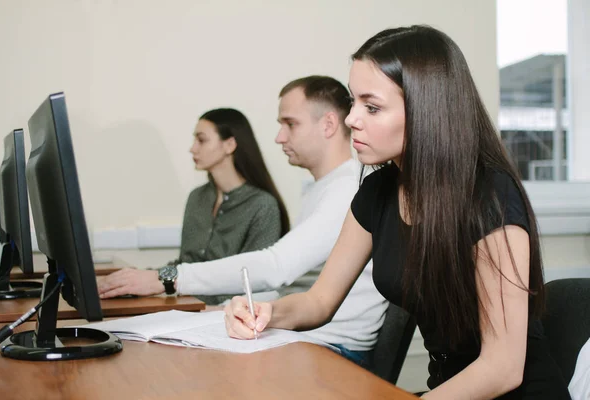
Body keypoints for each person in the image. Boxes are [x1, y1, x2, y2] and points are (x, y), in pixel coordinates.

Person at [223, 26, 571, 399]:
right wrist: (264, 313)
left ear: (427, 111)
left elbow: (502, 368)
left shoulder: (490, 196)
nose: (351, 119)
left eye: (371, 107)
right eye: (354, 103)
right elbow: (319, 302)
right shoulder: (378, 192)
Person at [98, 76, 388, 366]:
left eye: (290, 124)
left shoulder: (348, 188)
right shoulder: (324, 188)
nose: (279, 137)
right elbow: (290, 285)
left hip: (333, 348)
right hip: (304, 337)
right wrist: (217, 309)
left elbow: (277, 267)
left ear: (328, 124)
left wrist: (169, 278)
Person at [99, 108, 289, 299]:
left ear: (229, 145)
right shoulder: (197, 198)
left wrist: (155, 280)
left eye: (202, 140)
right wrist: (133, 279)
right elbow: (184, 265)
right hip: (183, 307)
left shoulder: (263, 206)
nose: (193, 148)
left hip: (226, 315)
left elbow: (255, 280)